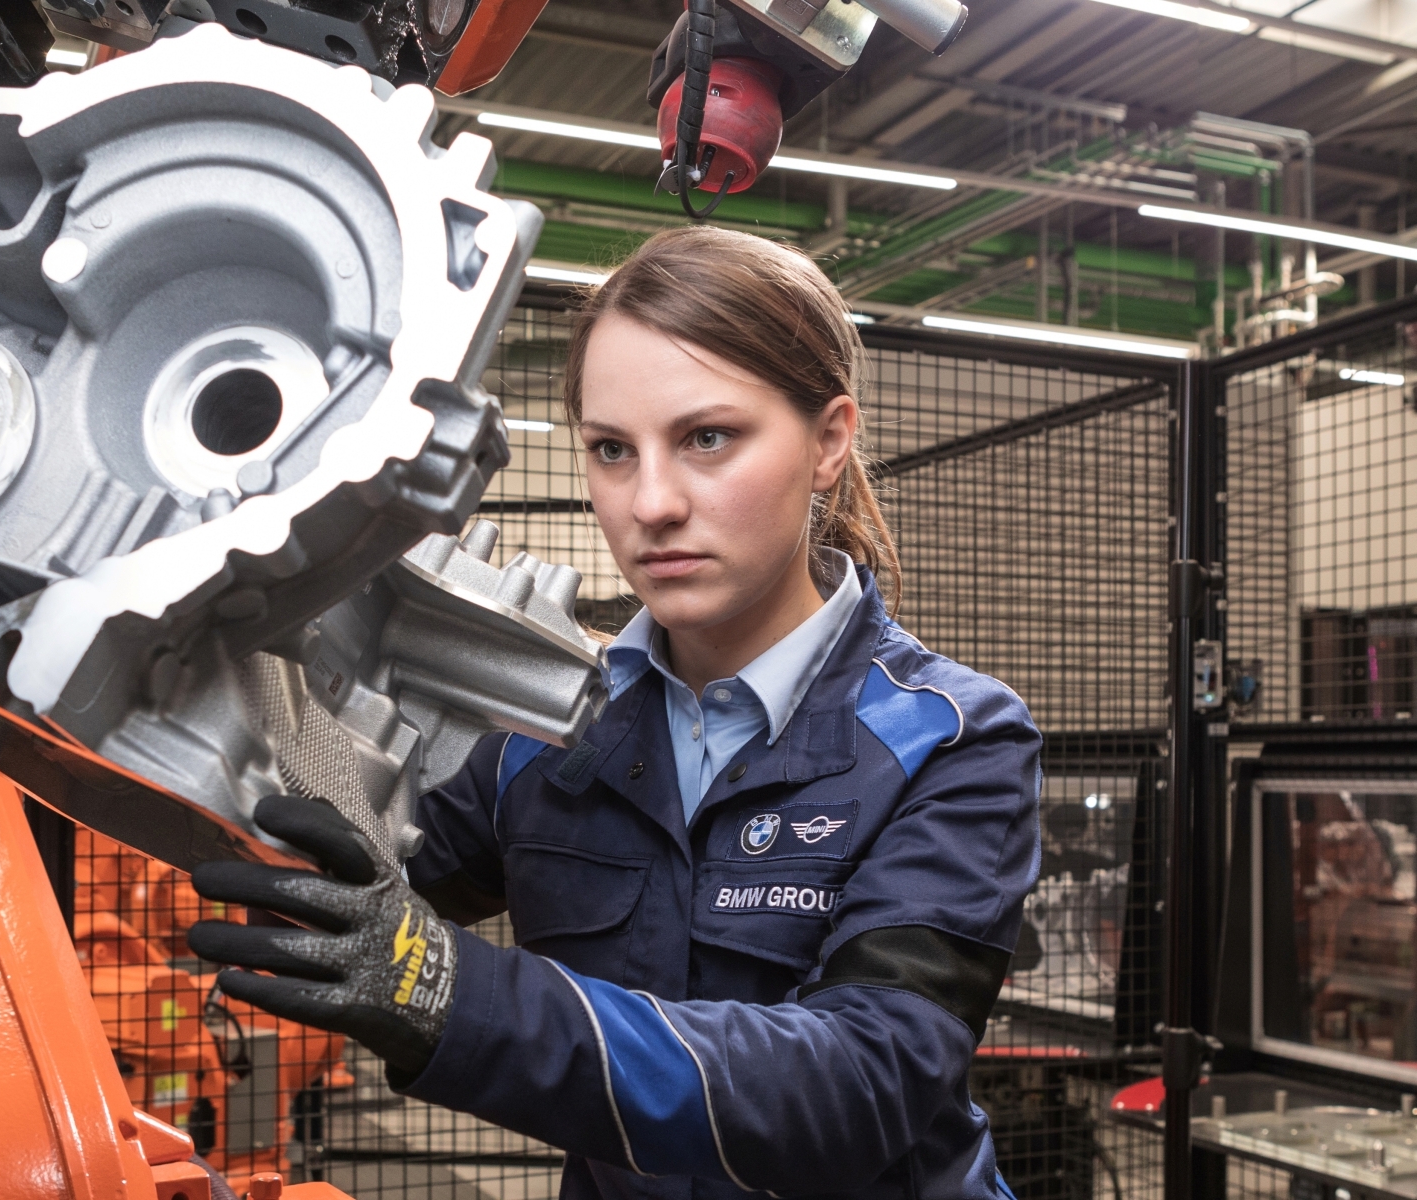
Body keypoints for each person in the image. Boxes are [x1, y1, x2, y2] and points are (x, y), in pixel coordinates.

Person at [186, 226, 1042, 1200]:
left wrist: (446, 992)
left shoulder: (948, 738)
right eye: (608, 450)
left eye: (706, 438)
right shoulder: (535, 734)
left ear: (828, 441)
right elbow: (336, 883)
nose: (651, 503)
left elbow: (858, 1085)